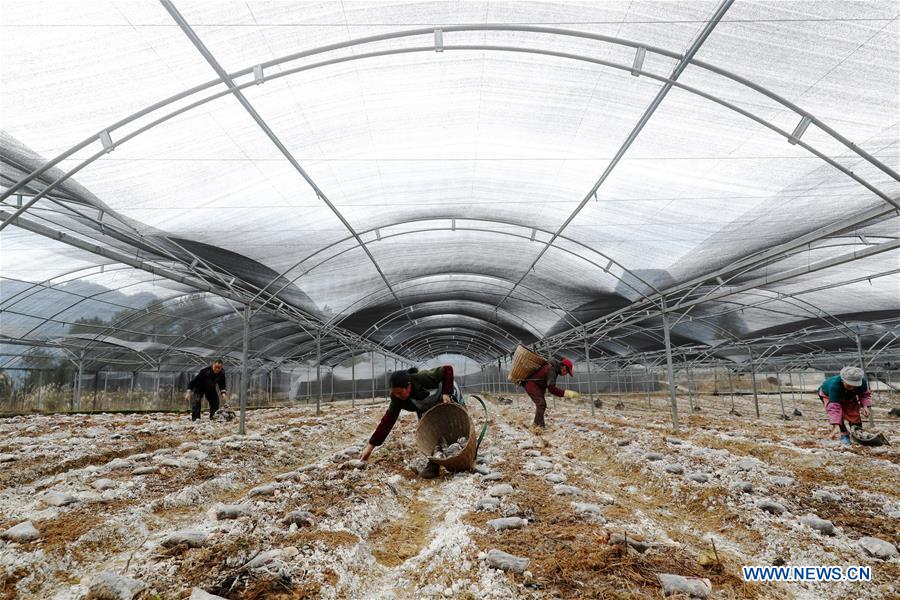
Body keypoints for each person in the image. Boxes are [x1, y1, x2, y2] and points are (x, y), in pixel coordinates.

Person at [359, 366, 458, 479]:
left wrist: (446, 392)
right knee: (429, 433)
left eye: (400, 393)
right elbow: (388, 420)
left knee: (454, 426)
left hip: (446, 395)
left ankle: (462, 456)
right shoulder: (397, 398)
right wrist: (370, 446)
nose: (397, 396)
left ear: (409, 386)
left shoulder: (422, 378)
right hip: (426, 409)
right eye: (395, 393)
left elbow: (447, 369)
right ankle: (433, 464)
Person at [818, 366, 871, 446]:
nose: (852, 387)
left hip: (848, 395)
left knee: (853, 412)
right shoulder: (835, 386)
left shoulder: (862, 383)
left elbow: (864, 395)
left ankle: (857, 433)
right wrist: (836, 425)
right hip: (828, 395)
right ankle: (844, 434)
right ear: (843, 381)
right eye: (849, 385)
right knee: (838, 415)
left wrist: (865, 406)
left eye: (855, 385)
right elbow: (834, 408)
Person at [522, 357, 579, 430]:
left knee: (541, 405)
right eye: (567, 372)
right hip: (532, 384)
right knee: (541, 404)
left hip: (536, 385)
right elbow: (551, 389)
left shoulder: (553, 368)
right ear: (564, 367)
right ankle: (539, 426)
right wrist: (566, 393)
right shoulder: (552, 370)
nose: (566, 374)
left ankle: (537, 425)